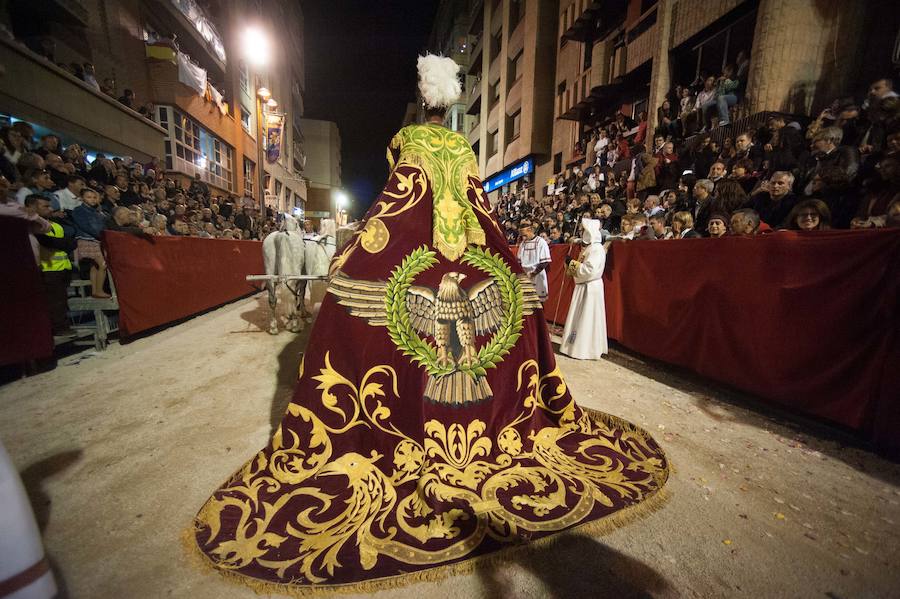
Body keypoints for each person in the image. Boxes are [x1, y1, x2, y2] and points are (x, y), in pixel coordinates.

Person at [189, 54, 668, 594]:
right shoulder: (463, 148)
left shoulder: (406, 140)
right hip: (473, 256)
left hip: (419, 258)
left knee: (355, 289)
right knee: (509, 298)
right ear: (454, 105)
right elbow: (472, 201)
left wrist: (362, 250)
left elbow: (401, 196)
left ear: (422, 102)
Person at [560, 218, 608, 359]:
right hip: (584, 286)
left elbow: (589, 270)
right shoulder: (589, 248)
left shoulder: (596, 249)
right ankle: (575, 346)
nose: (582, 233)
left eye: (584, 231)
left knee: (587, 318)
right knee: (580, 317)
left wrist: (572, 263)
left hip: (590, 287)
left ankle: (584, 349)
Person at [27, 194, 75, 335]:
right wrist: (63, 243)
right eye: (45, 206)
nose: (50, 209)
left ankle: (61, 326)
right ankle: (58, 328)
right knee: (54, 302)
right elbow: (48, 242)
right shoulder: (33, 226)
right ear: (32, 207)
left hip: (63, 267)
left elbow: (72, 242)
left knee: (61, 300)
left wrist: (62, 243)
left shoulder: (55, 224)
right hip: (47, 269)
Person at [71, 187, 110, 298]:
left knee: (95, 266)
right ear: (82, 198)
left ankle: (95, 291)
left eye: (94, 197)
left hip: (95, 241)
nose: (92, 199)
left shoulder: (97, 211)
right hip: (87, 240)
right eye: (89, 197)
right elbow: (87, 226)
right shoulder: (78, 210)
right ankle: (99, 290)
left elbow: (104, 221)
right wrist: (101, 235)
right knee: (103, 265)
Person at [517, 222, 551, 300]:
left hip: (537, 275)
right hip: (525, 275)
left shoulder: (541, 242)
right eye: (522, 236)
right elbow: (519, 261)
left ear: (530, 230)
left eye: (525, 235)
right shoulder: (523, 244)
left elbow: (545, 262)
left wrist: (533, 273)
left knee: (538, 302)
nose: (523, 238)